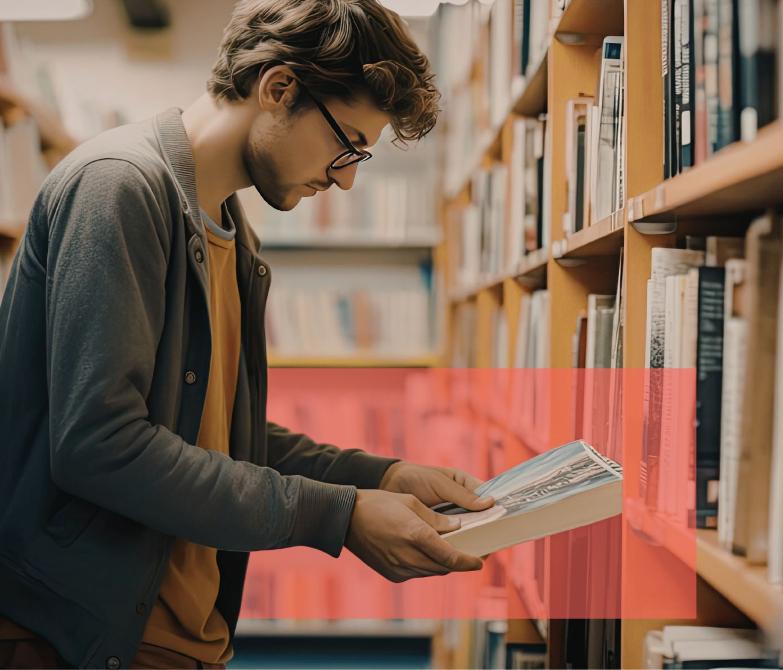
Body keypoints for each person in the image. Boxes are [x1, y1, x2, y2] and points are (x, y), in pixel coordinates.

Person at [0, 1, 493, 668]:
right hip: (76, 641)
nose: (347, 178)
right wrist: (338, 515)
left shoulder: (231, 229)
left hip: (175, 637)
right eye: (347, 143)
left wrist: (383, 477)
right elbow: (102, 446)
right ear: (279, 88)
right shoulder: (118, 188)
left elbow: (216, 435)